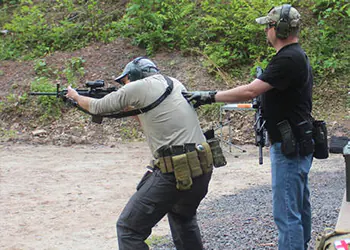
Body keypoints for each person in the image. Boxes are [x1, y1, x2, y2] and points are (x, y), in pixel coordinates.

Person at [183, 4, 314, 250]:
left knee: (287, 214)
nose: (266, 31)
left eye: (269, 26)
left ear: (280, 29)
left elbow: (251, 89)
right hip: (297, 141)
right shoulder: (295, 55)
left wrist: (208, 96)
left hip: (289, 146)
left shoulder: (287, 58)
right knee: (298, 207)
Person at [66, 56, 216, 250]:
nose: (123, 86)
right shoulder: (174, 83)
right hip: (201, 167)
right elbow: (151, 118)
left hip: (175, 171)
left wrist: (75, 96)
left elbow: (97, 107)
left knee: (128, 229)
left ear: (134, 76)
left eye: (124, 81)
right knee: (183, 218)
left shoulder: (138, 87)